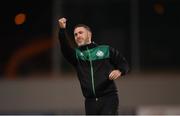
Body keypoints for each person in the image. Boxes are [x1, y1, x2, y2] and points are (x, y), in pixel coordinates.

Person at [58, 17, 129, 115]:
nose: (77, 36)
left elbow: (124, 63)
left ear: (89, 34)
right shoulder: (77, 55)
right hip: (90, 102)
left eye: (80, 33)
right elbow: (65, 48)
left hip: (108, 98)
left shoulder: (105, 50)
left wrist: (120, 71)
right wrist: (62, 30)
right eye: (75, 34)